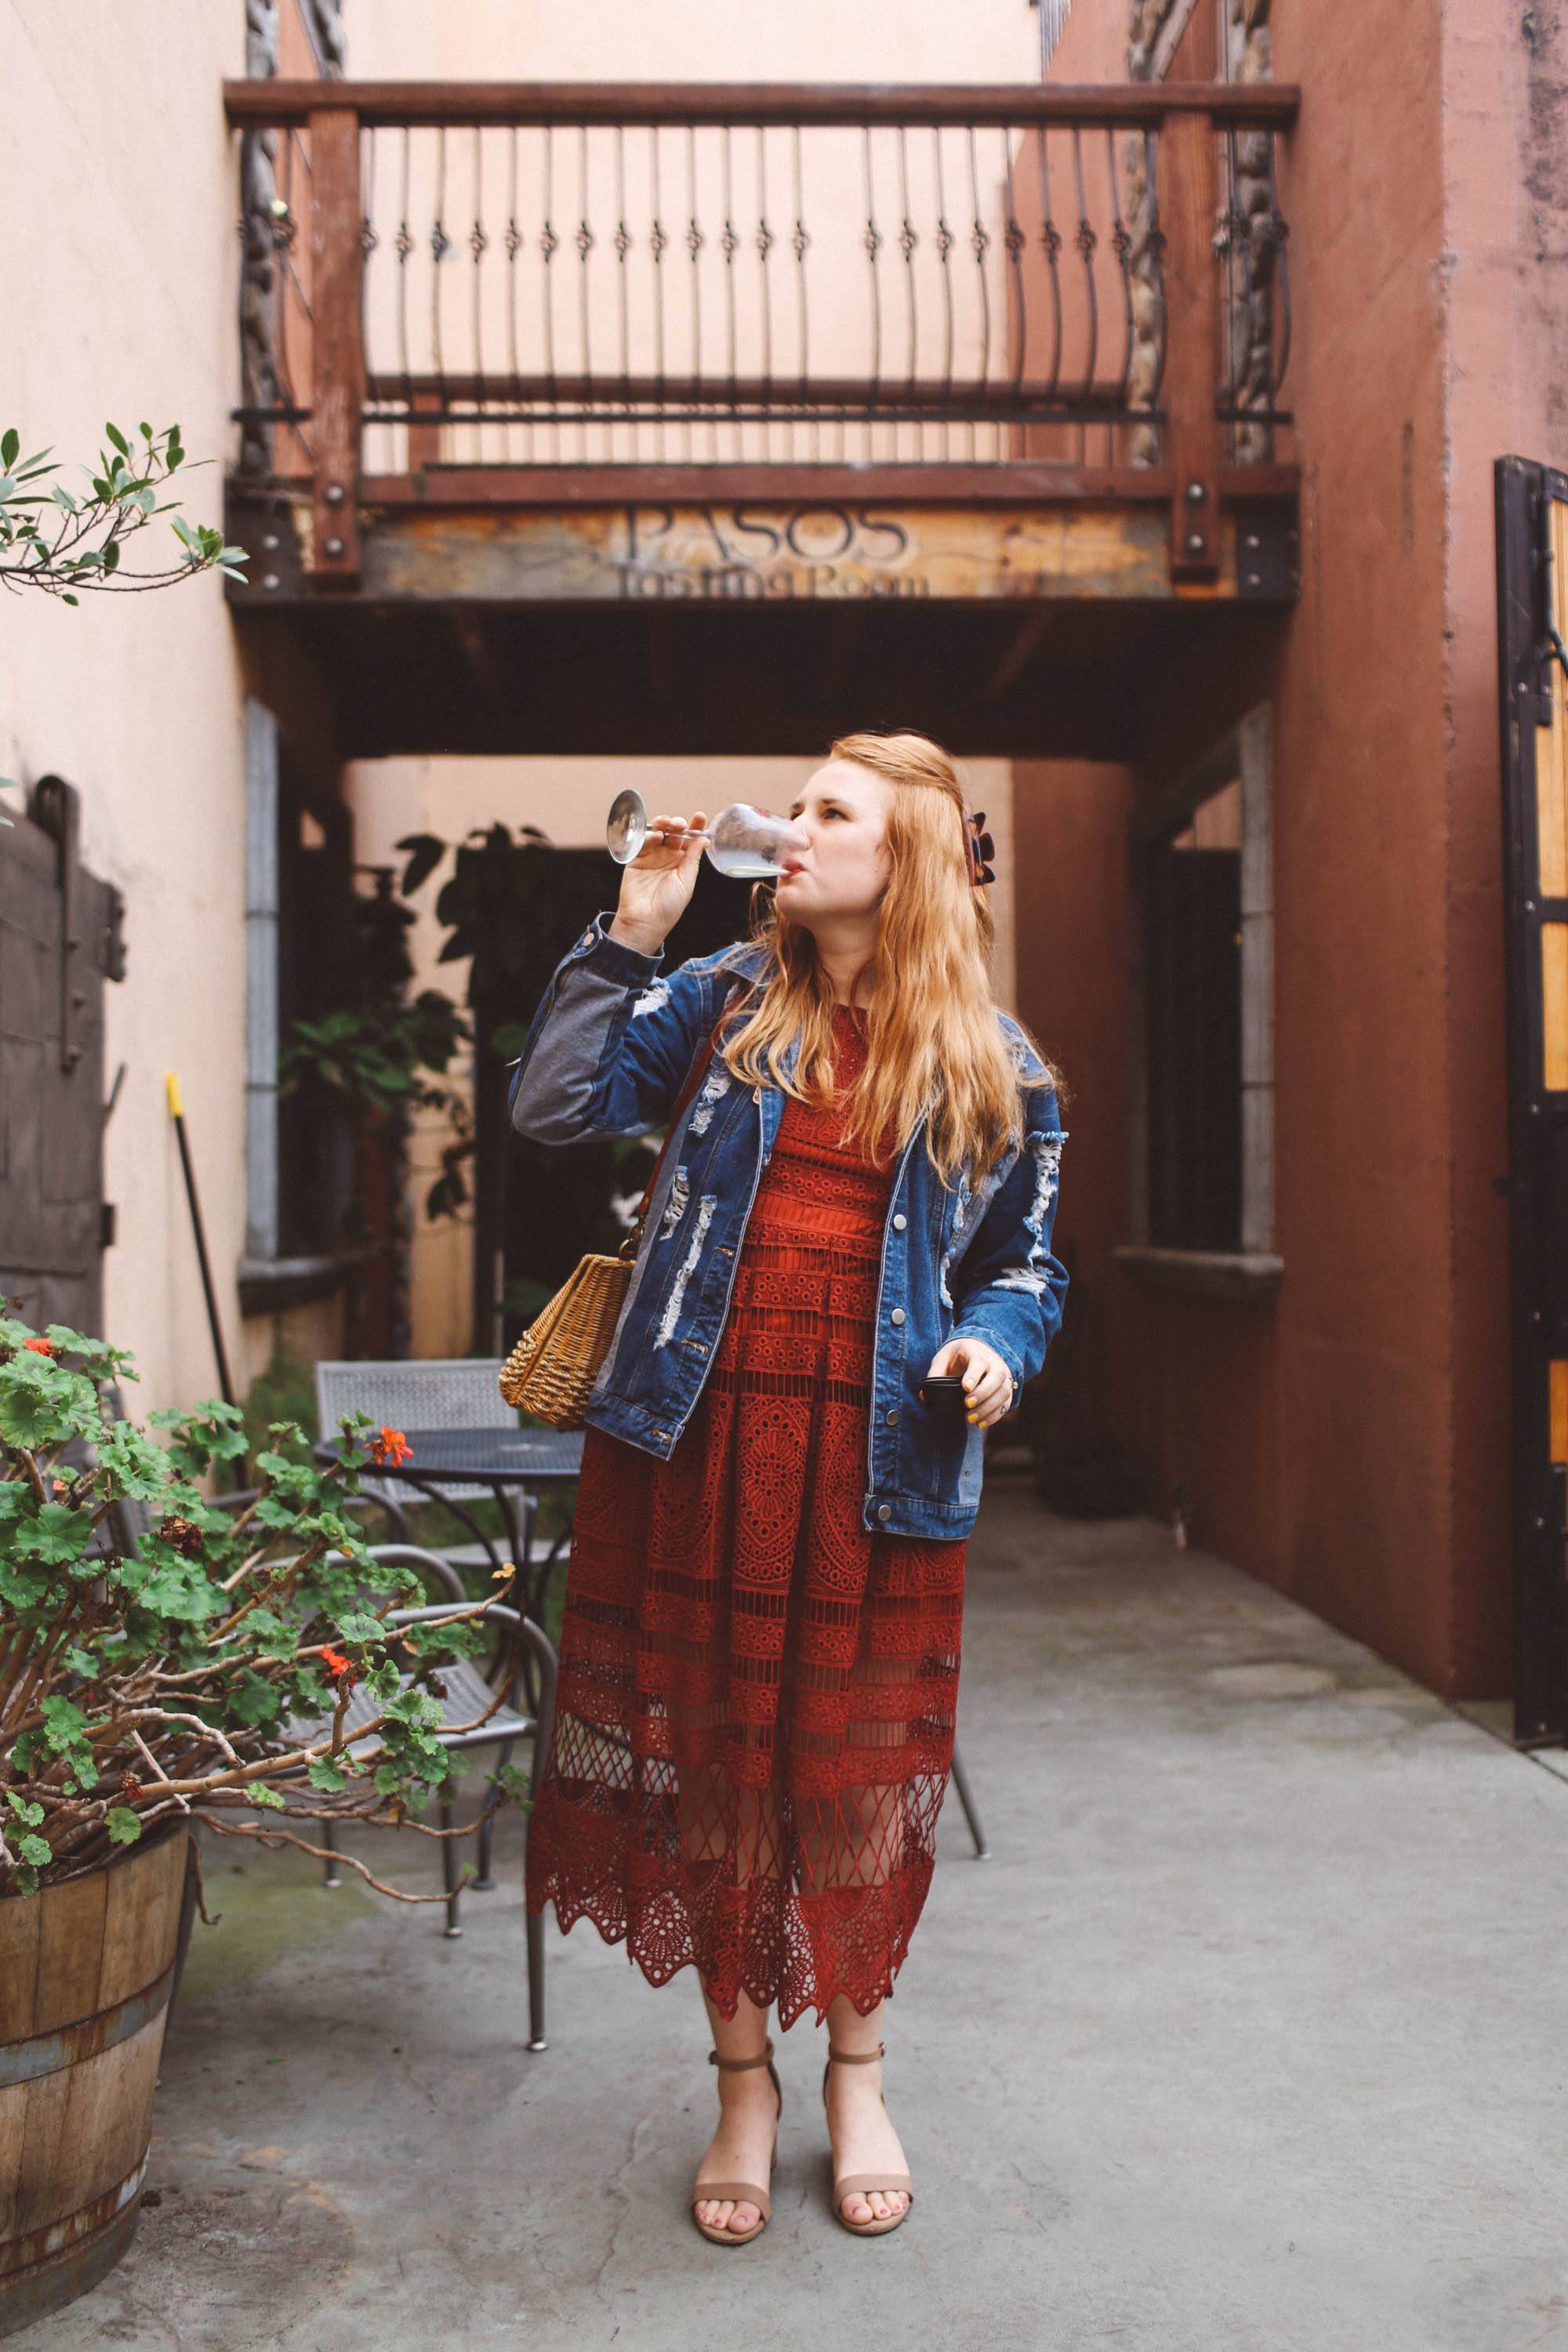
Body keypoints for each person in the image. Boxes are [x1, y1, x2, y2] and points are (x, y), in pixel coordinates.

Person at [509, 730, 1068, 2244]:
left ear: (907, 862)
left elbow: (1026, 1263)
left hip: (878, 1451)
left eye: (834, 813)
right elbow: (555, 1112)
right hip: (701, 1430)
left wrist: (995, 1342)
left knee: (845, 1775)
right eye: (802, 807)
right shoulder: (718, 1001)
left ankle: (858, 2073)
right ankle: (744, 2082)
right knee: (722, 1770)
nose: (797, 829)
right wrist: (636, 926)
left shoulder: (998, 1064)